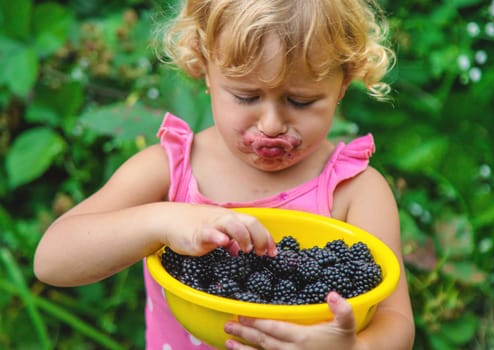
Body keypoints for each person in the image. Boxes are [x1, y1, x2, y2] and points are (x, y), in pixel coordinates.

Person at [34, 0, 415, 349]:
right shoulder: (169, 172)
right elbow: (52, 260)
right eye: (246, 96)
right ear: (205, 70)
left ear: (343, 84)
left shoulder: (356, 191)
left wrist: (354, 348)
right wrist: (162, 219)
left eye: (301, 101)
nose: (271, 124)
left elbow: (394, 321)